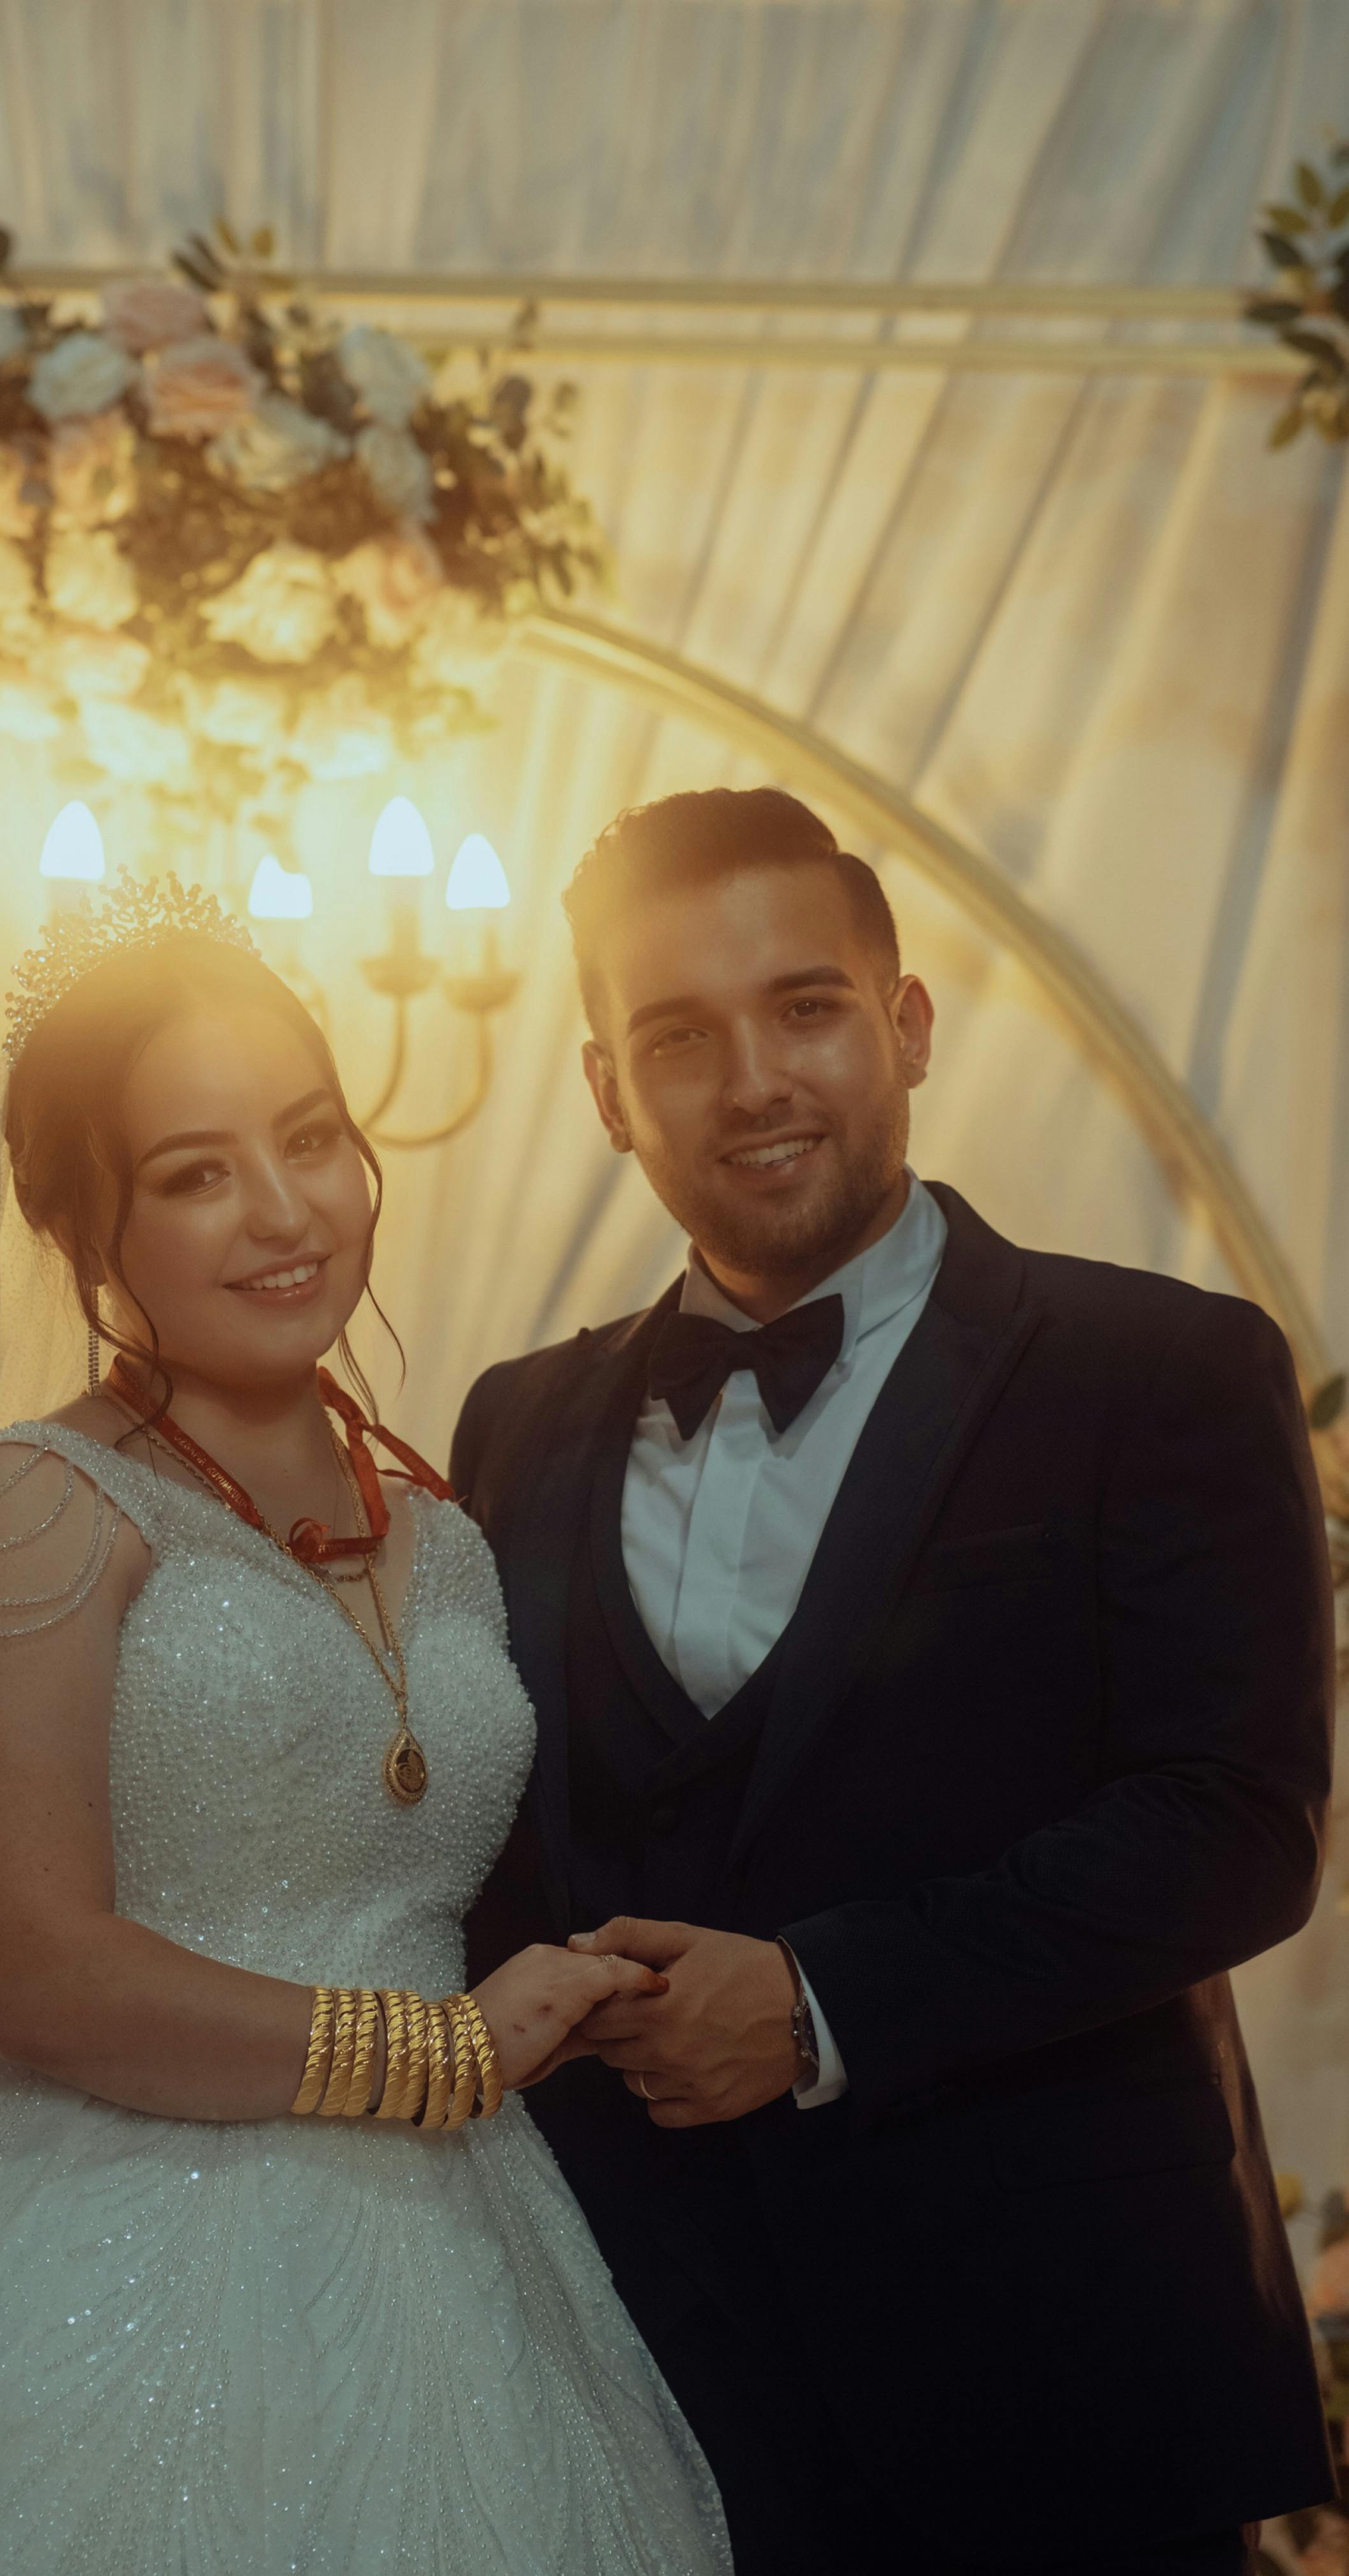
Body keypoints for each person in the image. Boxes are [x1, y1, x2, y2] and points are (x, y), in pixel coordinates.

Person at [0, 878, 730, 2574]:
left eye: (312, 1138)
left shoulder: (439, 1517)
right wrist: (451, 2052)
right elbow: (31, 1968)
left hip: (459, 2250)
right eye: (195, 1174)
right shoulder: (29, 1511)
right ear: (82, 1228)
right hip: (85, 2241)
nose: (286, 1213)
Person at [454, 787, 1337, 2576]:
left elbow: (1236, 1829)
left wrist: (817, 2002)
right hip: (634, 2380)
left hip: (1058, 2375)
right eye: (680, 1038)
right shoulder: (513, 1421)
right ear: (608, 1090)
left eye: (808, 1008)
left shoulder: (1162, 1368)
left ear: (907, 1026)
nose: (757, 1080)